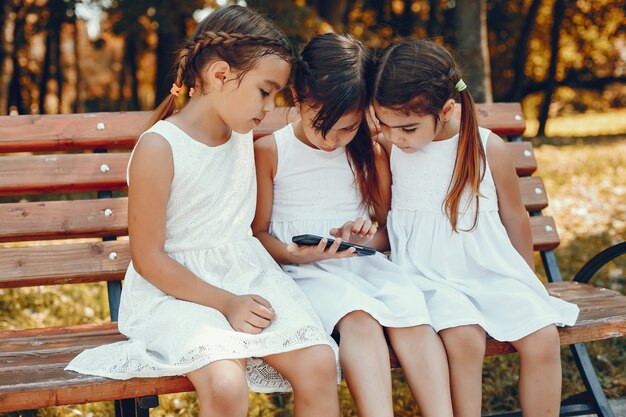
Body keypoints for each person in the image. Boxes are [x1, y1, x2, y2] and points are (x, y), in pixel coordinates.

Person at [66, 7, 341, 417]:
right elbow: (149, 258)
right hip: (174, 292)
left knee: (319, 362)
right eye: (265, 91)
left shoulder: (242, 137)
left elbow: (245, 226)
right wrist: (225, 303)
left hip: (246, 277)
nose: (268, 107)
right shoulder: (161, 148)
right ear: (219, 76)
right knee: (225, 382)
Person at [371, 38, 580, 417]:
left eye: (407, 127)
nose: (395, 136)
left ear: (446, 109)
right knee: (464, 339)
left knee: (543, 338)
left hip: (489, 272)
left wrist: (525, 279)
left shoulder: (488, 147)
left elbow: (515, 216)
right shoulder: (390, 150)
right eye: (385, 125)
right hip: (428, 278)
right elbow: (388, 219)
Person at [252, 33, 453, 417]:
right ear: (297, 99)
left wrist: (365, 236)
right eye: (320, 124)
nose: (332, 140)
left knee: (411, 312)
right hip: (303, 274)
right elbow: (258, 233)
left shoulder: (368, 151)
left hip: (363, 266)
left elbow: (385, 229)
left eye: (346, 128)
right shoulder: (270, 152)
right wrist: (294, 254)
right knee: (360, 321)